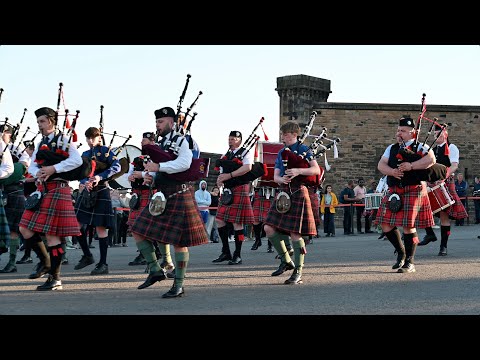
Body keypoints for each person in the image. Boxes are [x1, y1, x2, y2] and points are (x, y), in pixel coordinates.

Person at [131, 106, 209, 298]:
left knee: (179, 243)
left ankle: (179, 285)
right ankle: (155, 270)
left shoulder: (182, 140)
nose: (157, 125)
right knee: (137, 229)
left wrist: (159, 166)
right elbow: (162, 170)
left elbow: (185, 163)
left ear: (172, 123)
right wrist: (151, 175)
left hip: (180, 194)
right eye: (156, 122)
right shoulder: (162, 143)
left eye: (161, 121)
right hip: (163, 194)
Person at [19, 107, 83, 290]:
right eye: (38, 122)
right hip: (43, 188)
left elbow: (76, 160)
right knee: (24, 228)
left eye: (42, 121)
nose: (39, 125)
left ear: (52, 121)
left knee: (52, 236)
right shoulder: (40, 143)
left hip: (58, 188)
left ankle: (55, 279)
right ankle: (45, 262)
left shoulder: (63, 139)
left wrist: (54, 169)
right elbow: (32, 165)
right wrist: (37, 172)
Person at [376, 116, 436, 274]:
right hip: (395, 189)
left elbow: (431, 159)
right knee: (385, 225)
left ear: (412, 133)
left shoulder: (421, 146)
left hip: (413, 189)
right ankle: (401, 252)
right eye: (398, 130)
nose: (399, 133)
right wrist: (392, 172)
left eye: (403, 131)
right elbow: (381, 165)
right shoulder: (392, 148)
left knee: (409, 226)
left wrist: (411, 165)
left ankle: (410, 261)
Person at [263, 121, 321, 284]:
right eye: (282, 134)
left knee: (295, 233)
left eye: (286, 134)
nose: (283, 137)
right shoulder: (281, 152)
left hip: (299, 191)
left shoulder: (304, 149)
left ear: (295, 135)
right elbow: (275, 176)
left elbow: (316, 169)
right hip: (283, 191)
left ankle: (298, 271)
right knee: (268, 227)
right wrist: (282, 178)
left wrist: (298, 171)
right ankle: (286, 260)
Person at [73, 127, 121, 275]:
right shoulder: (85, 154)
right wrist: (84, 181)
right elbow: (81, 171)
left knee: (100, 228)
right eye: (87, 138)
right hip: (87, 191)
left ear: (99, 138)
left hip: (101, 190)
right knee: (76, 226)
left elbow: (117, 166)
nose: (89, 141)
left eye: (92, 138)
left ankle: (103, 263)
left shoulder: (106, 151)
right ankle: (87, 255)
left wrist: (100, 177)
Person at [417, 123, 468, 256]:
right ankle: (430, 234)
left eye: (438, 134)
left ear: (445, 134)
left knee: (444, 216)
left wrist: (443, 177)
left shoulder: (452, 147)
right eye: (434, 134)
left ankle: (443, 246)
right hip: (431, 183)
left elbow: (454, 166)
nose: (436, 136)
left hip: (445, 183)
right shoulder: (432, 149)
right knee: (421, 208)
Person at [212, 130, 255, 265]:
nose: (230, 141)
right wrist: (219, 180)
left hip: (239, 188)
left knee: (237, 223)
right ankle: (226, 252)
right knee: (219, 220)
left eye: (233, 139)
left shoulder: (245, 153)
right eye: (229, 139)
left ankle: (237, 254)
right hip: (227, 190)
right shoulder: (226, 155)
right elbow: (222, 172)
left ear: (239, 140)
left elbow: (248, 167)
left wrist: (229, 176)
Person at [0, 123, 30, 272]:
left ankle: (11, 262)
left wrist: (9, 175)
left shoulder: (17, 148)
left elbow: (24, 165)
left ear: (9, 135)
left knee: (13, 229)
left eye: (2, 133)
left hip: (14, 192)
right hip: (2, 191)